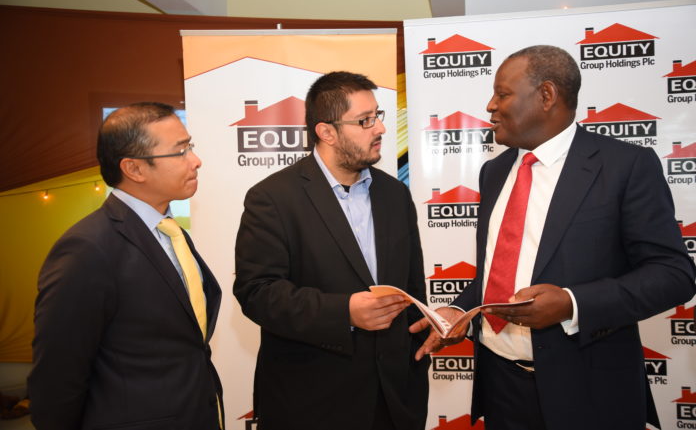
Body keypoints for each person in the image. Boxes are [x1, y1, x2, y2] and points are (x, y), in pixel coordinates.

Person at [412, 45, 696, 430]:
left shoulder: (624, 166)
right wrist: (460, 312)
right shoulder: (493, 173)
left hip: (589, 390)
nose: (491, 105)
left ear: (546, 95)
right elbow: (501, 270)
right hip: (502, 387)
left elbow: (674, 274)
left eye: (503, 93)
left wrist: (571, 303)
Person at [234, 71, 430, 430]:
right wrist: (345, 312)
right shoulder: (273, 198)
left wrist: (424, 334)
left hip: (396, 401)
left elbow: (412, 286)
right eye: (365, 121)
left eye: (378, 116)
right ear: (326, 132)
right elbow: (257, 292)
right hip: (313, 403)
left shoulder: (394, 194)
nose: (380, 129)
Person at [28, 102, 224, 430]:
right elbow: (57, 379)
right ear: (134, 169)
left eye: (190, 146)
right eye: (180, 151)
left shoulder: (170, 233)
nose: (195, 160)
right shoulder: (87, 249)